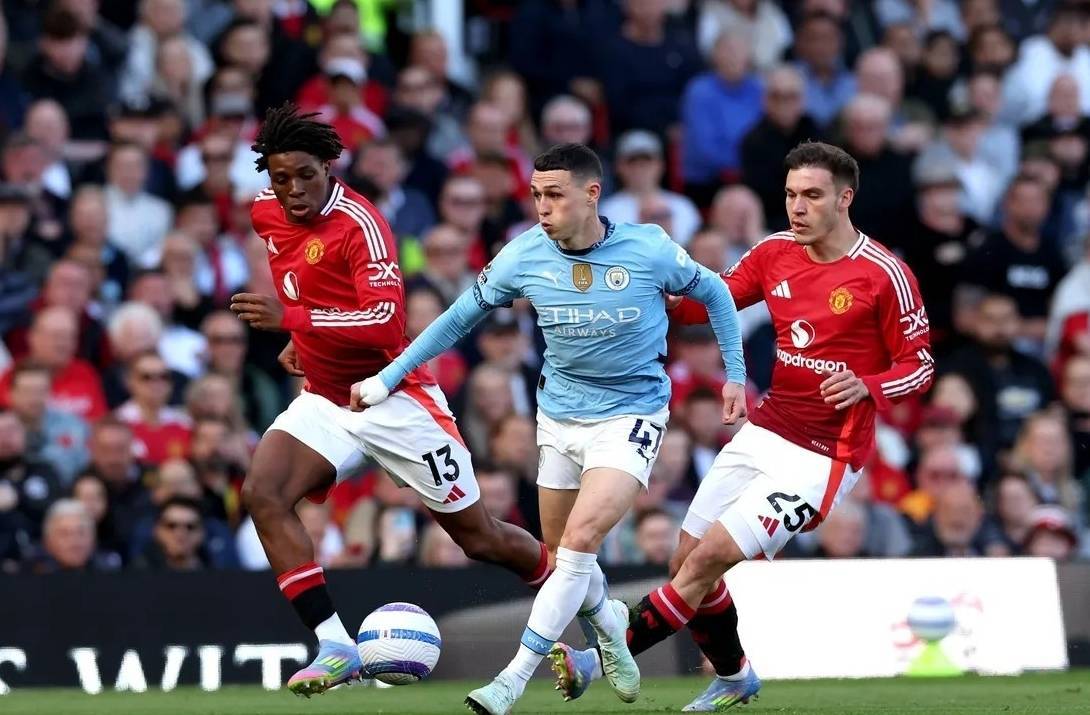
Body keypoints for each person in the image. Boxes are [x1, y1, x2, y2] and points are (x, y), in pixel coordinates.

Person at [351, 142, 746, 714]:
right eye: (536, 194)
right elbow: (458, 318)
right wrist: (389, 378)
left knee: (580, 545)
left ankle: (511, 679)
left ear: (591, 195)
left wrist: (735, 374)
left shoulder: (649, 248)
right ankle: (609, 623)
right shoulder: (523, 255)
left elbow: (715, 291)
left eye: (554, 194)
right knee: (563, 554)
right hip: (558, 419)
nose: (542, 206)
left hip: (630, 416)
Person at [552, 141, 933, 710]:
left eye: (812, 195)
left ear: (845, 199)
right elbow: (711, 301)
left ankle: (598, 657)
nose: (797, 207)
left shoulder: (884, 274)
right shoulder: (775, 252)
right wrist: (645, 285)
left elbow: (919, 366)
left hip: (823, 456)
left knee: (708, 559)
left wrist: (868, 385)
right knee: (684, 561)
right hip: (765, 430)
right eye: (790, 194)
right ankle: (734, 676)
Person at [230, 104, 553, 697]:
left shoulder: (361, 224)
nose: (294, 189)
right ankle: (335, 646)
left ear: (329, 168)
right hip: (327, 400)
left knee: (480, 537)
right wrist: (306, 340)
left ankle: (587, 605)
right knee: (263, 493)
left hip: (393, 397)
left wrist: (294, 322)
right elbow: (311, 287)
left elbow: (385, 322)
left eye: (306, 175)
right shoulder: (264, 212)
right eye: (281, 178)